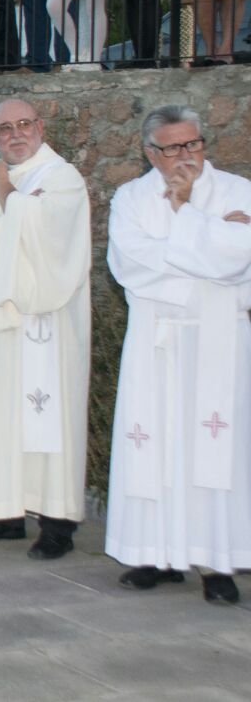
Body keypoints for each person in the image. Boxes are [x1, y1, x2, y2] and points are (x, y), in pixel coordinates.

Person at [106, 105, 251, 605]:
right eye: (173, 148)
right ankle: (153, 554)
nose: (186, 156)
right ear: (150, 153)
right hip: (157, 339)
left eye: (193, 144)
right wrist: (212, 238)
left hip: (220, 341)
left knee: (216, 448)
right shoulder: (131, 198)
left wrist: (187, 216)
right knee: (155, 442)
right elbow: (131, 263)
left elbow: (241, 259)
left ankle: (217, 564)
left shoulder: (238, 191)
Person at [0, 99, 91, 559]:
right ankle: (1, 514)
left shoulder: (61, 178)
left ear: (40, 127)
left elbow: (52, 241)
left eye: (23, 124)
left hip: (46, 326)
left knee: (49, 422)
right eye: (4, 128)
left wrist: (9, 198)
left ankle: (56, 524)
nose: (15, 134)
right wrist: (8, 212)